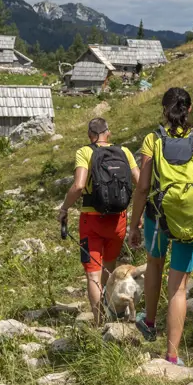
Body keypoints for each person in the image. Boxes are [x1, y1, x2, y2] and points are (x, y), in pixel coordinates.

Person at [128, 87, 193, 366]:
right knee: (178, 288)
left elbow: (143, 187)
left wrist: (133, 225)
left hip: (157, 216)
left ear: (164, 111)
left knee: (154, 263)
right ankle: (171, 357)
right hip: (192, 220)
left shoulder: (152, 140)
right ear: (189, 109)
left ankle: (148, 321)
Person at [58, 117, 140, 324]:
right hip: (118, 220)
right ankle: (111, 312)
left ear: (89, 135)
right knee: (109, 269)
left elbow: (78, 186)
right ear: (108, 133)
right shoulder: (125, 152)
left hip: (91, 220)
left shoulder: (84, 152)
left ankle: (99, 322)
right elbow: (140, 182)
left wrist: (64, 208)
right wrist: (139, 215)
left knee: (93, 275)